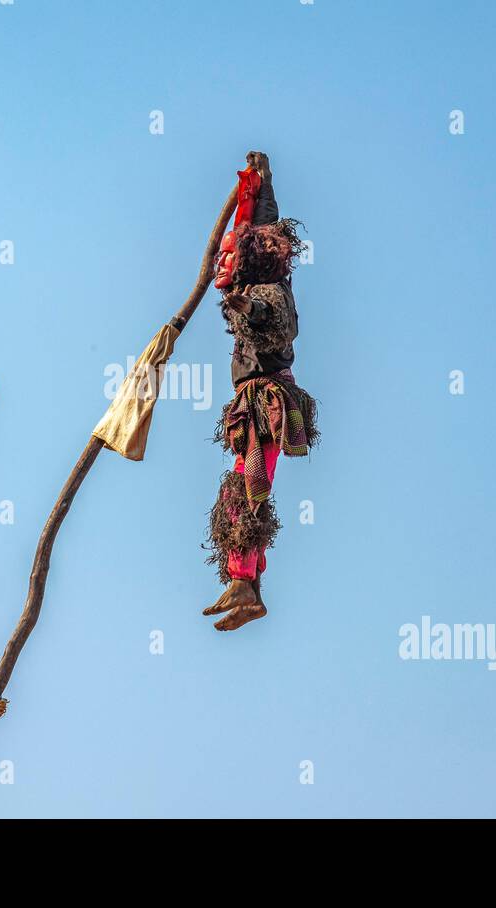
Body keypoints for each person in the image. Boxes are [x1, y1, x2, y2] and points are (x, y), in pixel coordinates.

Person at [203, 152, 318, 631]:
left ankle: (245, 585)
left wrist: (247, 305)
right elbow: (261, 225)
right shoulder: (255, 279)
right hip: (254, 401)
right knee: (243, 490)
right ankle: (246, 584)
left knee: (248, 489)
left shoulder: (269, 291)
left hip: (268, 403)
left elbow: (273, 322)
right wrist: (262, 184)